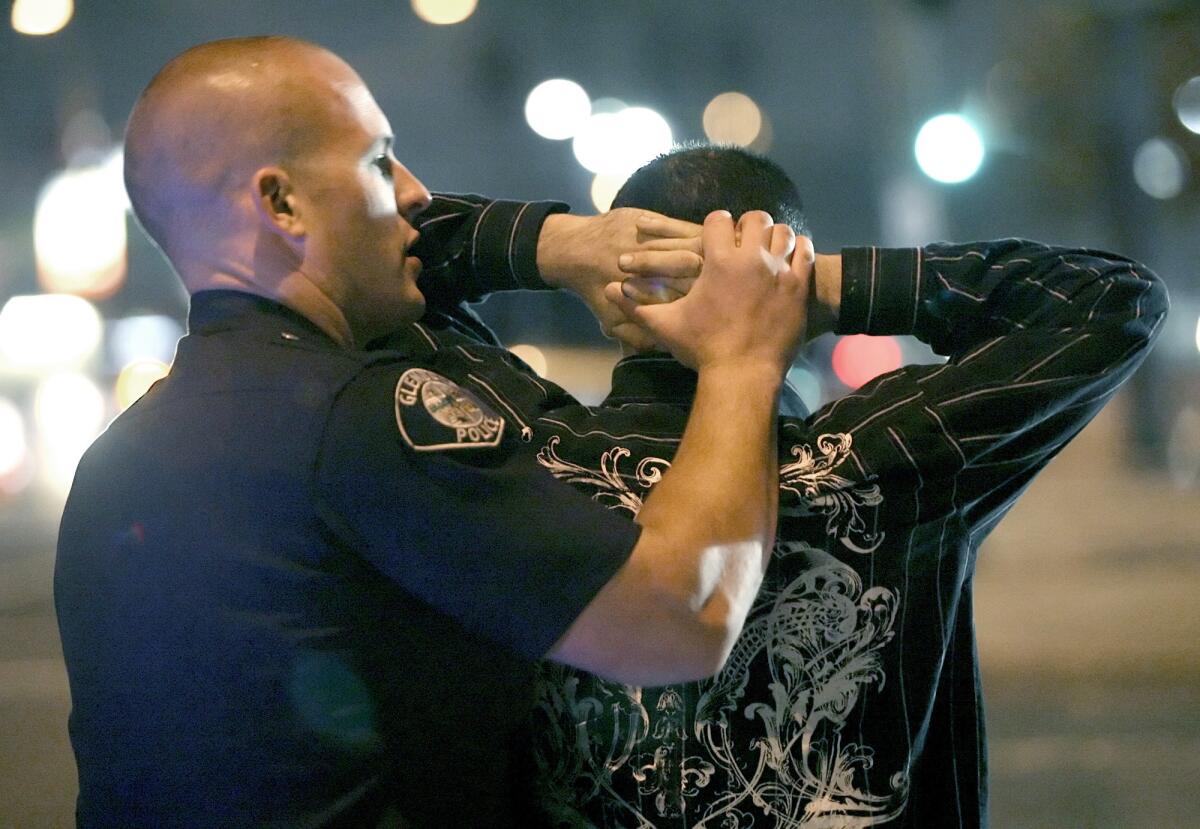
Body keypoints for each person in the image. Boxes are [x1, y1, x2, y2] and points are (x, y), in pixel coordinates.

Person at [53, 38, 810, 827]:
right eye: (381, 163)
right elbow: (682, 620)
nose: (417, 195)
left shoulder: (117, 457)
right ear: (281, 205)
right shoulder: (360, 420)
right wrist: (743, 357)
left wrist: (567, 245)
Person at [404, 145, 1166, 827]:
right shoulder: (890, 463)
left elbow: (381, 251)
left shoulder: (525, 454)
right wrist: (804, 285)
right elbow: (1113, 302)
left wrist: (559, 245)